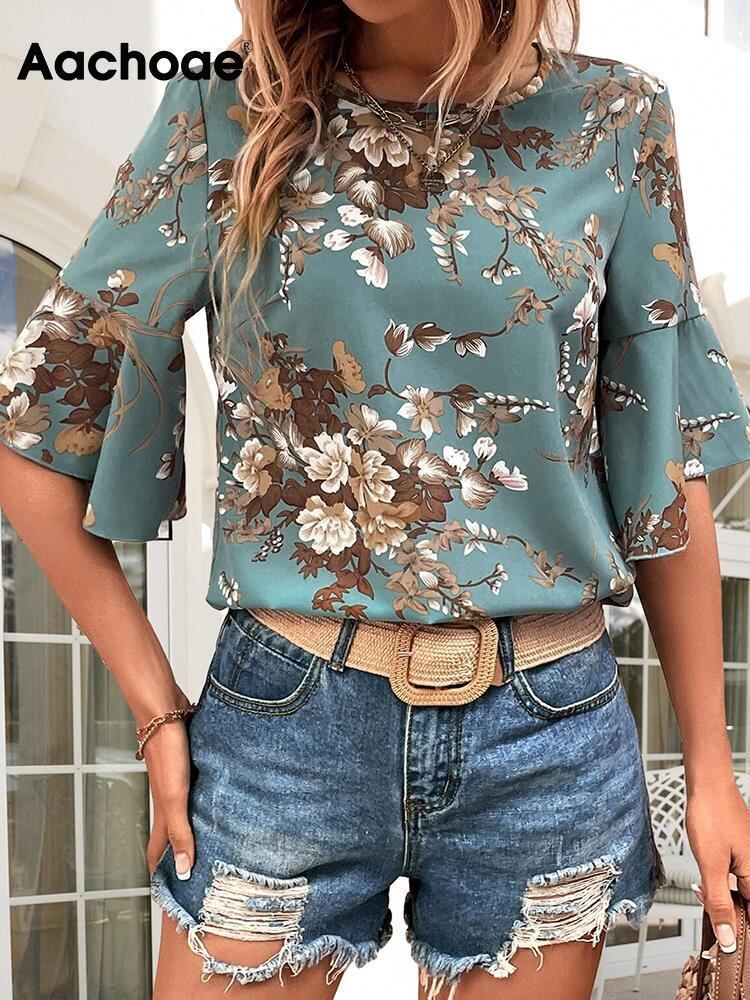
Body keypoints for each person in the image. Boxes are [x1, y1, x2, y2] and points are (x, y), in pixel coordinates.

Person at [2, 1, 750, 997]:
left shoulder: (616, 119)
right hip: (286, 727)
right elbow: (32, 429)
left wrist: (710, 770)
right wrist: (152, 709)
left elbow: (666, 465)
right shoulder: (229, 111)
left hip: (549, 731)